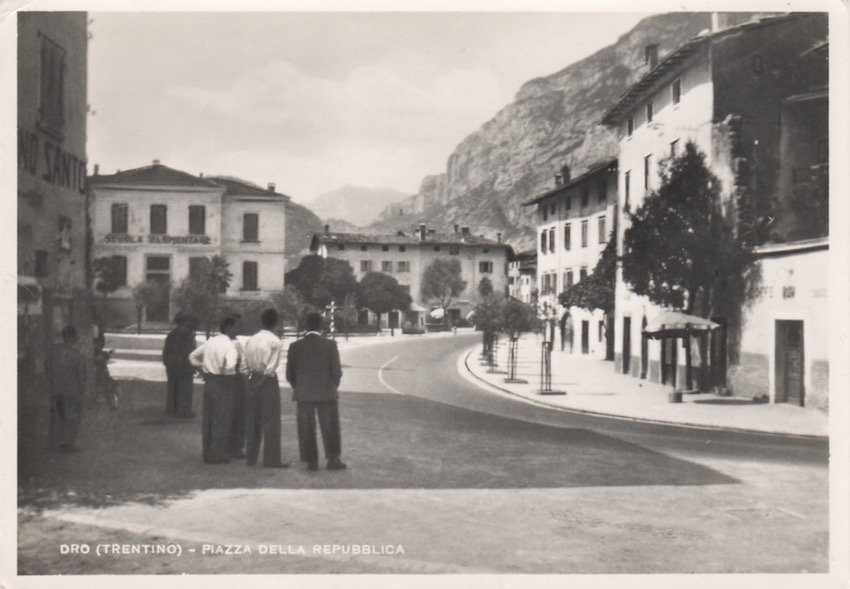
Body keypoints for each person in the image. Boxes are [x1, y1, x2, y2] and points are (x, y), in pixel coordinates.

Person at [286, 312, 346, 472]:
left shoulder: (295, 346)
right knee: (330, 426)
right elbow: (337, 372)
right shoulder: (330, 345)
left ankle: (311, 461)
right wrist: (332, 386)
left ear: (306, 326)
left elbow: (289, 375)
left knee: (306, 427)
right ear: (321, 326)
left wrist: (299, 387)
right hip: (327, 392)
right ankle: (333, 459)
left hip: (303, 393)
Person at [241, 309, 288, 468]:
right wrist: (259, 385)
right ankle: (271, 459)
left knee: (252, 419)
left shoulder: (250, 340)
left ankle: (251, 457)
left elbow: (244, 365)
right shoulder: (275, 341)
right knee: (270, 421)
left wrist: (250, 385)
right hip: (267, 382)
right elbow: (270, 368)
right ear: (275, 323)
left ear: (261, 321)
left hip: (252, 378)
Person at [189, 317, 239, 464]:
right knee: (222, 419)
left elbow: (192, 356)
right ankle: (217, 454)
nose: (238, 330)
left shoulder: (211, 341)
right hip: (223, 383)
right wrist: (225, 372)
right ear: (229, 328)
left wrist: (203, 371)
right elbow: (231, 366)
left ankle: (208, 453)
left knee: (209, 419)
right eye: (236, 327)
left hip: (210, 382)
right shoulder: (230, 346)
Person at [46, 326, 86, 451]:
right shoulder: (78, 354)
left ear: (64, 337)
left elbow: (47, 368)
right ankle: (68, 443)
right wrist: (82, 389)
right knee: (71, 417)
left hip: (55, 390)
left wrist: (52, 381)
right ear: (74, 338)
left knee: (57, 416)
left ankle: (55, 442)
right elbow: (82, 374)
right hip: (72, 391)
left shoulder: (53, 351)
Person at [162, 313, 197, 418]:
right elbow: (185, 351)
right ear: (182, 323)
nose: (190, 326)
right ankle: (184, 411)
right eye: (188, 323)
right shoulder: (181, 335)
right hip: (181, 364)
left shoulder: (175, 334)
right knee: (184, 388)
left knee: (175, 387)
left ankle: (173, 409)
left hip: (174, 364)